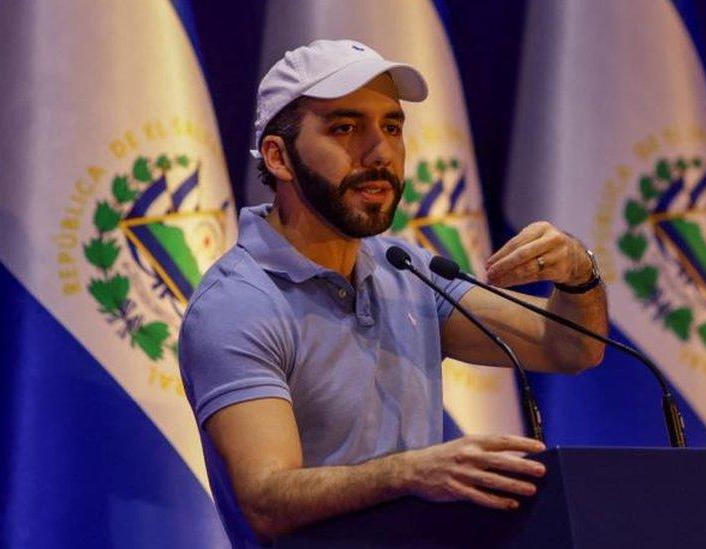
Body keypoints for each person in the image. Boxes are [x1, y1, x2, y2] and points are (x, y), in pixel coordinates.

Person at [179, 39, 609, 546]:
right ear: (279, 157)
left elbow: (573, 347)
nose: (380, 152)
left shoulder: (405, 269)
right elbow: (269, 500)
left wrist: (580, 274)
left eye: (392, 126)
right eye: (345, 127)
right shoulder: (238, 304)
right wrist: (409, 474)